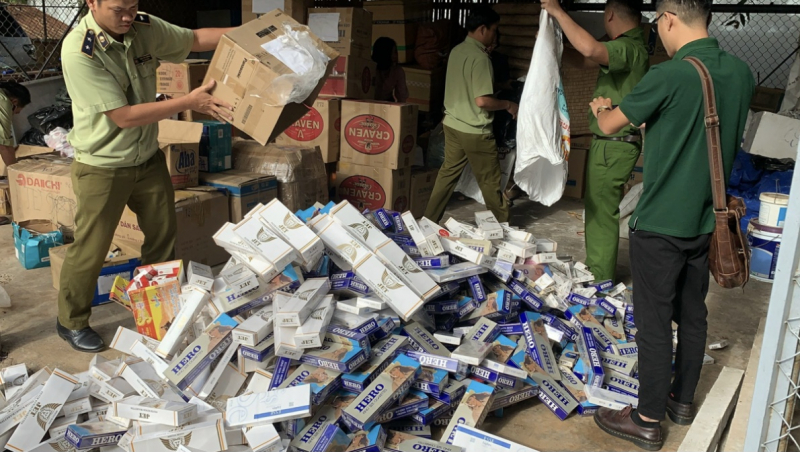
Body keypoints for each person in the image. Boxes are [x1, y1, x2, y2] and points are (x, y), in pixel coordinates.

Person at [589, 0, 754, 448]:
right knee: (694, 313)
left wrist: (601, 107)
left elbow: (609, 125)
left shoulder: (668, 75)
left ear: (667, 19)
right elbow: (698, 129)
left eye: (657, 24)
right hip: (707, 221)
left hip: (660, 222)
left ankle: (646, 419)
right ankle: (681, 401)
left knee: (655, 323)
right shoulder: (741, 74)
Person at [57, 0, 234, 353]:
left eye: (133, 6)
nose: (127, 17)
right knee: (92, 247)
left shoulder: (143, 26)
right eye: (117, 9)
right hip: (103, 165)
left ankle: (156, 311)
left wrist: (252, 35)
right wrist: (188, 102)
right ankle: (71, 321)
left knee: (162, 235)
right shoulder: (80, 51)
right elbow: (123, 116)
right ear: (92, 3)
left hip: (147, 157)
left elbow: (195, 39)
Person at [541, 0, 649, 283]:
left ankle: (600, 276)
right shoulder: (630, 48)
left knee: (601, 211)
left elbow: (590, 49)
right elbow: (583, 59)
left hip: (614, 142)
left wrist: (557, 11)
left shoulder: (627, 47)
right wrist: (553, 44)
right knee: (598, 208)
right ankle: (598, 268)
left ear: (610, 14)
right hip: (612, 142)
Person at [424, 6, 517, 224]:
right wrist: (508, 104)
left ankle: (428, 221)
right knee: (490, 182)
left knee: (447, 176)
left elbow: (466, 85)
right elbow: (482, 101)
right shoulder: (481, 59)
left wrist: (498, 86)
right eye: (494, 30)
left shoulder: (457, 51)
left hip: (452, 124)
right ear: (483, 29)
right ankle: (503, 226)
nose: (495, 35)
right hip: (475, 131)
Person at [0, 82, 31, 169]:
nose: (13, 115)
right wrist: (15, 171)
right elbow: (4, 145)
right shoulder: (4, 102)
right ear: (14, 102)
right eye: (15, 112)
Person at [372, 37, 409, 103]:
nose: (395, 56)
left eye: (396, 52)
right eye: (393, 52)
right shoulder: (370, 68)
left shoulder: (397, 71)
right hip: (369, 102)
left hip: (388, 103)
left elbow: (402, 97)